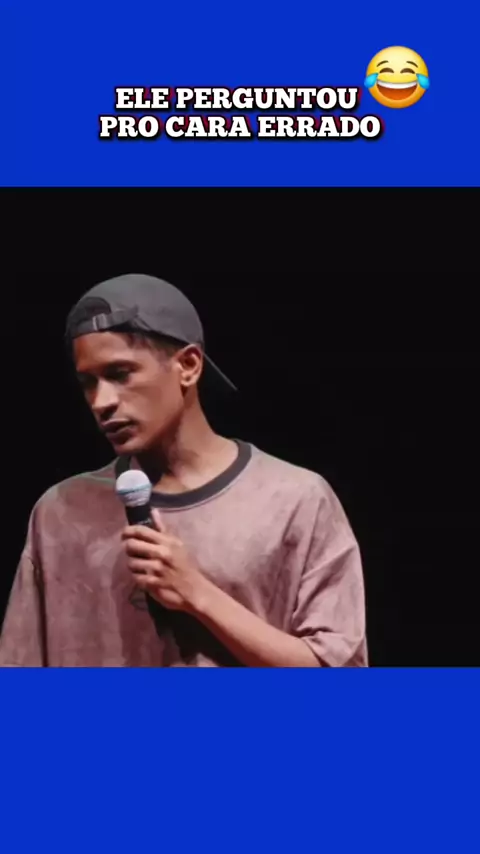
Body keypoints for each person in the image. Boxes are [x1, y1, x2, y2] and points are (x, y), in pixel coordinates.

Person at [0, 274, 367, 667]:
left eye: (120, 374)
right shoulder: (61, 512)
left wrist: (196, 593)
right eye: (88, 382)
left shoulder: (294, 500)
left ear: (188, 366)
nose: (101, 402)